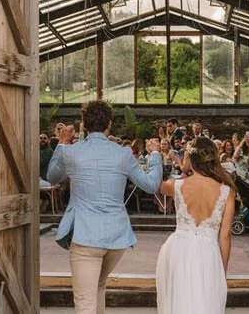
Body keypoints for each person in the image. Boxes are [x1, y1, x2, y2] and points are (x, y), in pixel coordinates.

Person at [46, 100, 163, 314]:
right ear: (109, 124)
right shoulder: (123, 154)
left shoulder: (71, 152)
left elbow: (52, 176)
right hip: (116, 237)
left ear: (83, 124)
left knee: (84, 303)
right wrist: (155, 155)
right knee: (98, 286)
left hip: (85, 236)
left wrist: (62, 143)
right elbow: (151, 185)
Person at [155, 136, 236, 313]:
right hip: (208, 252)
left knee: (179, 303)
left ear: (191, 158)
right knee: (206, 304)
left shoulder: (175, 185)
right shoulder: (226, 191)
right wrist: (221, 269)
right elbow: (225, 236)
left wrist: (182, 169)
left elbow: (155, 184)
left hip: (178, 249)